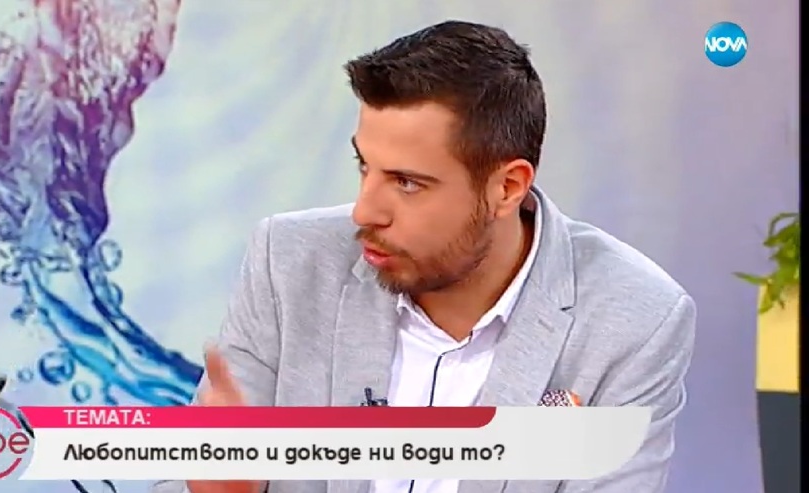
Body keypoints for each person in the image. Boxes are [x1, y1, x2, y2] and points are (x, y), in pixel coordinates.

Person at [190, 20, 696, 493]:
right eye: (364, 166)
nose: (365, 211)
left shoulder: (633, 321)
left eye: (407, 182)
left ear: (507, 188)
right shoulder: (289, 263)